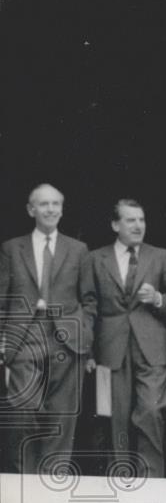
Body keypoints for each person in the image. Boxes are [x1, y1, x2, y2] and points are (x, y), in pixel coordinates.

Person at [0, 183, 96, 472]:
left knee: (62, 417)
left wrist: (84, 328)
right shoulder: (11, 249)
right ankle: (24, 484)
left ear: (62, 209)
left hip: (67, 339)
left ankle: (53, 485)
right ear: (31, 210)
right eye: (44, 204)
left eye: (56, 204)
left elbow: (89, 299)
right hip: (25, 337)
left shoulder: (78, 250)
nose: (51, 209)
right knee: (23, 411)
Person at [91, 200, 166, 478]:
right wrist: (89, 352)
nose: (138, 225)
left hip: (152, 347)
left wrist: (156, 299)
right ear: (115, 225)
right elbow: (89, 306)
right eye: (130, 220)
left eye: (141, 220)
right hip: (109, 348)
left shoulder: (160, 256)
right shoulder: (95, 258)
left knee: (151, 411)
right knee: (111, 417)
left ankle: (152, 481)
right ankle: (118, 478)